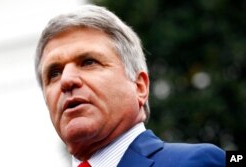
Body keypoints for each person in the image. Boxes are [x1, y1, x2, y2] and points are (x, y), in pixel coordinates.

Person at [35, 4, 225, 167]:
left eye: (88, 62)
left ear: (139, 87)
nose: (66, 80)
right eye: (54, 73)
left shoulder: (198, 161)